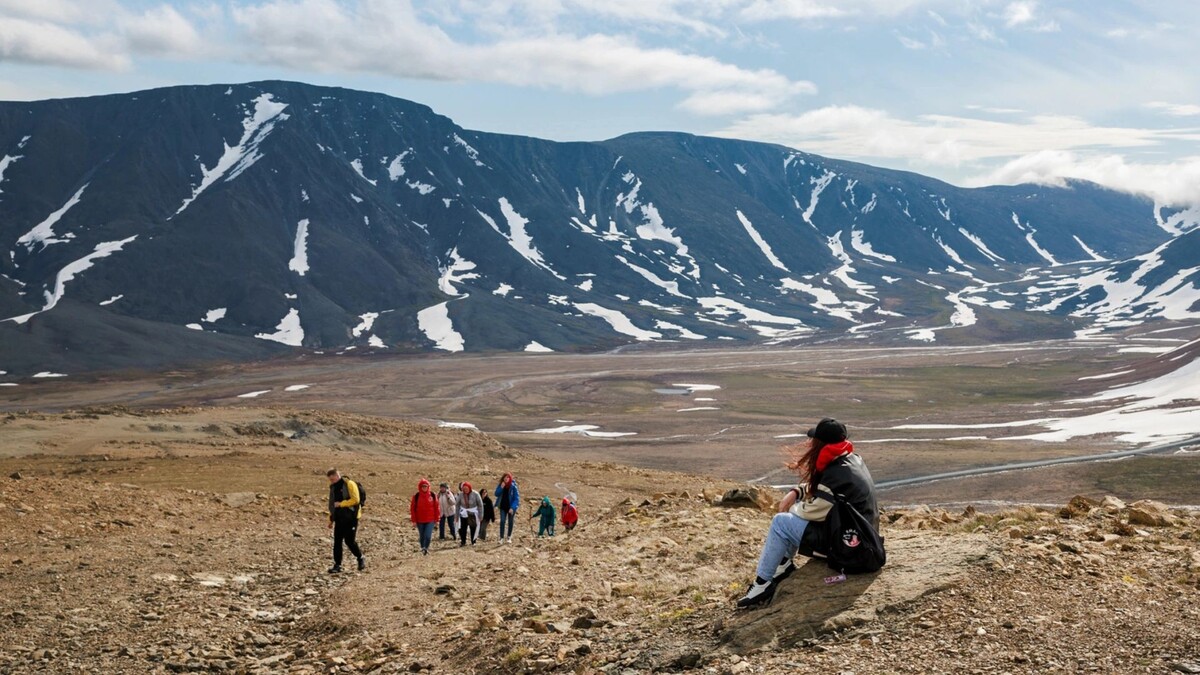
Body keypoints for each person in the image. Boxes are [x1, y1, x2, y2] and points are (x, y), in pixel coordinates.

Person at [737, 418, 880, 609]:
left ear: (821, 444)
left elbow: (811, 512)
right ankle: (782, 566)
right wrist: (797, 492)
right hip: (861, 540)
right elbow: (826, 491)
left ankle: (762, 583)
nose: (811, 444)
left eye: (814, 441)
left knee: (781, 523)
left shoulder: (835, 475)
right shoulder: (851, 460)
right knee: (789, 521)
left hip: (849, 549)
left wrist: (793, 507)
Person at [326, 468, 365, 573]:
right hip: (339, 518)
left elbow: (355, 500)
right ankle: (337, 565)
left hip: (351, 517)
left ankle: (360, 557)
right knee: (337, 542)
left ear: (338, 475)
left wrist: (342, 504)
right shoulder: (333, 487)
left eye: (333, 479)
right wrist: (330, 519)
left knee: (349, 541)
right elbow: (332, 505)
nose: (332, 481)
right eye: (331, 480)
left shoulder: (349, 484)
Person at [410, 478, 440, 555]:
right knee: (422, 535)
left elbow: (437, 508)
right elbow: (412, 509)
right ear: (420, 487)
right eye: (423, 486)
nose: (424, 488)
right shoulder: (416, 496)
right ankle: (423, 548)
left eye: (426, 486)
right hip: (420, 520)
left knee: (428, 535)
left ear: (428, 487)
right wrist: (414, 521)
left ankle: (426, 548)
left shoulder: (433, 495)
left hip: (430, 520)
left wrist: (437, 520)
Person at [494, 473, 520, 544]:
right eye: (505, 477)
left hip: (511, 507)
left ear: (510, 478)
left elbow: (516, 498)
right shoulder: (501, 485)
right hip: (503, 507)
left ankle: (509, 537)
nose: (506, 479)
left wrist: (512, 507)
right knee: (502, 521)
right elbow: (496, 494)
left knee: (510, 521)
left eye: (508, 477)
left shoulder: (513, 486)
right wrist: (501, 488)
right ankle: (501, 538)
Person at [458, 482, 484, 546]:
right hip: (464, 513)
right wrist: (456, 516)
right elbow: (457, 505)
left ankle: (473, 541)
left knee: (473, 527)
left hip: (472, 513)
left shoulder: (475, 494)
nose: (465, 490)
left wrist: (480, 515)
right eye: (464, 489)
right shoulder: (461, 495)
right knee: (463, 528)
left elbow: (480, 505)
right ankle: (463, 541)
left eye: (466, 489)